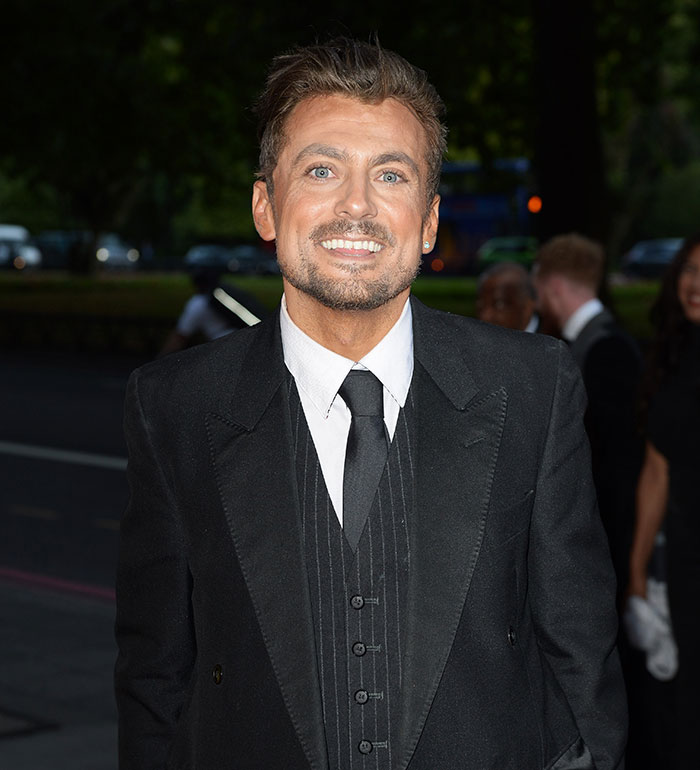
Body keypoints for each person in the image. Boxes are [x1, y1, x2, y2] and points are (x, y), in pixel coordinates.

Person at [115, 39, 626, 769]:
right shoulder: (174, 406)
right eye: (321, 170)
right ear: (265, 205)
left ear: (429, 220)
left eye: (391, 174)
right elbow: (155, 676)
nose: (356, 204)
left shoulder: (533, 387)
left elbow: (582, 662)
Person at [533, 233, 643, 596]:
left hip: (610, 526)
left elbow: (614, 456)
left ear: (553, 286)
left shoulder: (606, 349)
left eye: (538, 289)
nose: (537, 301)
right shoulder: (596, 341)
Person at [628, 234, 700, 769]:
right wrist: (636, 570)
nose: (696, 284)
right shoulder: (673, 354)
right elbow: (656, 470)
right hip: (685, 561)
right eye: (690, 270)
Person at [158, 266, 268, 356]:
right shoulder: (225, 292)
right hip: (246, 340)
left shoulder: (197, 304)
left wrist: (159, 360)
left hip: (226, 347)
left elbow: (180, 337)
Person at [476, 261, 539, 331]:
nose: (485, 316)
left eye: (499, 305)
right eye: (481, 306)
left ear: (527, 308)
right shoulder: (477, 335)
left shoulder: (547, 334)